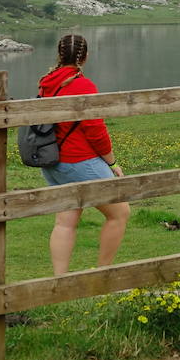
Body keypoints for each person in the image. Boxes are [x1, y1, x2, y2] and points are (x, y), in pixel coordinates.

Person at [37, 34, 129, 275]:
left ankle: (60, 280)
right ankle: (102, 275)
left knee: (65, 221)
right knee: (120, 213)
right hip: (79, 161)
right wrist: (112, 162)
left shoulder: (46, 82)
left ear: (59, 55)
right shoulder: (83, 85)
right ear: (85, 57)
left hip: (52, 162)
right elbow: (96, 131)